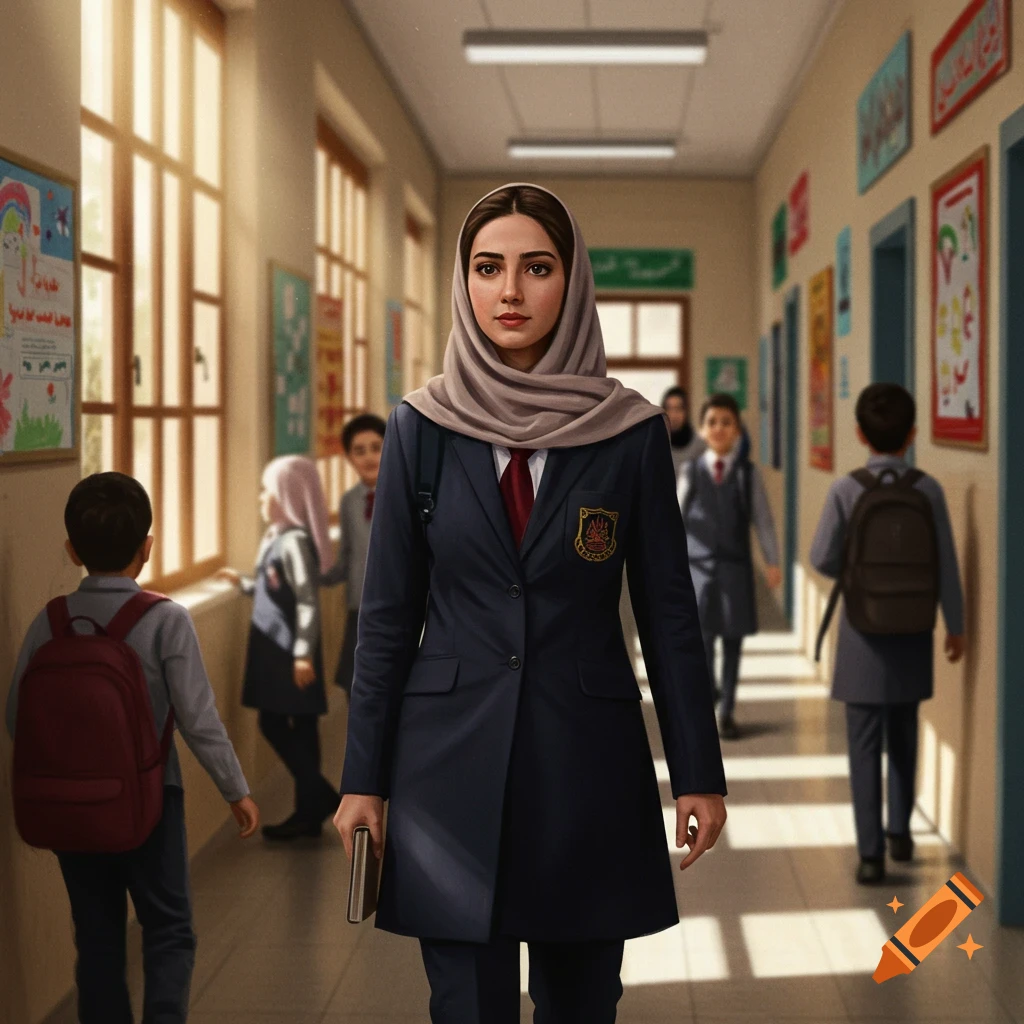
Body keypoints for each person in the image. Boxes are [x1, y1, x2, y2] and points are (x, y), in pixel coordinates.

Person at [332, 183, 727, 1024]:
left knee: (582, 1004)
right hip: (446, 766)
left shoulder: (628, 431)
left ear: (572, 281)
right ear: (464, 284)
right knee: (466, 1007)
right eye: (488, 268)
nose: (509, 292)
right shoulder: (420, 426)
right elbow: (388, 616)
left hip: (586, 760)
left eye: (536, 268)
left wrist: (698, 771)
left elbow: (666, 613)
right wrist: (362, 777)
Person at [5, 472, 259, 1024]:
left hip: (71, 811)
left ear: (71, 550)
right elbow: (199, 719)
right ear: (147, 548)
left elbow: (15, 718)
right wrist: (235, 790)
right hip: (151, 803)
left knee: (96, 939)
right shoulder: (166, 619)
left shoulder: (48, 622)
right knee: (167, 928)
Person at [810, 383, 965, 885]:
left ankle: (871, 854)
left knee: (863, 745)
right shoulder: (928, 489)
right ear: (913, 434)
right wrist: (956, 626)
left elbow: (821, 558)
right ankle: (901, 831)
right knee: (905, 734)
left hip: (861, 633)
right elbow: (946, 565)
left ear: (859, 433)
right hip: (915, 630)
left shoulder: (846, 488)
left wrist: (859, 570)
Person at [217, 456, 340, 841]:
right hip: (279, 651)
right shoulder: (276, 538)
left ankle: (318, 797)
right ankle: (310, 809)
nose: (260, 499)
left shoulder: (294, 543)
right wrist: (241, 584)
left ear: (288, 496)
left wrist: (303, 654)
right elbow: (273, 592)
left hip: (290, 653)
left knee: (276, 722)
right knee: (301, 728)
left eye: (267, 491)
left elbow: (306, 601)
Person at [679, 393, 781, 740]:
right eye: (712, 422)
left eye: (727, 422)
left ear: (737, 430)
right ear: (703, 430)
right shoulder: (691, 472)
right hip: (698, 571)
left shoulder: (746, 475)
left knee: (734, 642)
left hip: (736, 570)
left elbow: (763, 520)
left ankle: (727, 713)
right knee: (704, 642)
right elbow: (675, 518)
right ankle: (710, 698)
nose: (719, 428)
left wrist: (772, 560)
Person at [320, 413, 386, 695]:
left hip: (399, 610)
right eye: (359, 451)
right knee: (356, 691)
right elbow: (346, 558)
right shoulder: (349, 502)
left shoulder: (408, 494)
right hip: (358, 611)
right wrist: (314, 577)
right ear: (349, 458)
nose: (369, 457)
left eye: (376, 447)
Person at [661, 385, 705, 478]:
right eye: (669, 409)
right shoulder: (655, 444)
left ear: (686, 412)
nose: (673, 415)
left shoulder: (700, 445)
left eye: (678, 409)